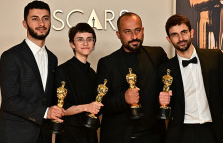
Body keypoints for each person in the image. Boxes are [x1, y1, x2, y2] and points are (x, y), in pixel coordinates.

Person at [0, 0, 65, 143]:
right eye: (35, 19)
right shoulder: (11, 56)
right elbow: (10, 101)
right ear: (25, 24)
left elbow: (46, 97)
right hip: (14, 136)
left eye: (45, 18)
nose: (41, 24)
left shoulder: (52, 58)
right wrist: (45, 112)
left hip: (43, 136)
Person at [96, 12, 168, 143]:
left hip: (153, 137)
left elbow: (170, 85)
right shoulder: (106, 63)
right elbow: (99, 105)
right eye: (127, 32)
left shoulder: (158, 55)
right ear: (118, 35)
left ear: (143, 30)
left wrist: (169, 94)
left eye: (137, 30)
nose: (134, 36)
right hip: (119, 138)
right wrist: (123, 98)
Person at [159, 14, 223, 143]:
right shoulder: (165, 69)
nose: (181, 38)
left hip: (213, 129)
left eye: (184, 32)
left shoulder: (215, 57)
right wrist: (162, 101)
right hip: (182, 133)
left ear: (191, 33)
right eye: (175, 34)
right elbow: (163, 104)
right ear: (169, 39)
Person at [54, 23, 102, 143]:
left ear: (94, 44)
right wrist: (87, 107)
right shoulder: (62, 70)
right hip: (69, 134)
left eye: (89, 39)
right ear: (72, 44)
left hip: (90, 133)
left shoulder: (92, 73)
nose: (85, 43)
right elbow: (61, 108)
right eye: (80, 39)